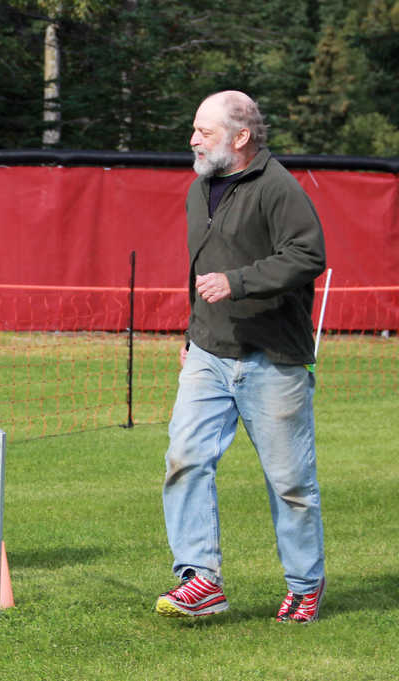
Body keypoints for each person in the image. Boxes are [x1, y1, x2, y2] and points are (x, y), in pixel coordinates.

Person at [154, 91, 327, 623]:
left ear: (241, 137)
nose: (193, 141)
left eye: (203, 132)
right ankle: (200, 580)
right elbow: (201, 269)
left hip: (272, 358)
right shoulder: (197, 189)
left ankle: (304, 585)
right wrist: (192, 334)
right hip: (208, 352)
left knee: (290, 482)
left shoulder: (279, 188)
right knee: (184, 460)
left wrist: (239, 283)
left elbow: (309, 254)